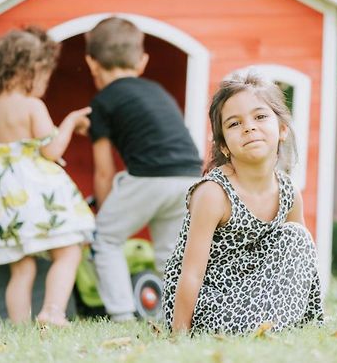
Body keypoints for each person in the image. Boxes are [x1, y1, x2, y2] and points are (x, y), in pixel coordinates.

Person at [163, 73, 324, 334]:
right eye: (235, 123)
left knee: (298, 237)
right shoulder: (214, 194)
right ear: (224, 146)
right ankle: (264, 330)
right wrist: (178, 335)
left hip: (256, 298)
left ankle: (296, 327)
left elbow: (301, 264)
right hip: (210, 305)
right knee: (297, 238)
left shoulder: (289, 192)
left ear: (283, 129)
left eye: (260, 117)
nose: (249, 127)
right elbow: (190, 273)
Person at [0, 27, 95, 326]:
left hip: (1, 205)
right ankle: (52, 312)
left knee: (21, 269)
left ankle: (20, 327)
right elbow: (51, 150)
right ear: (27, 71)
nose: (45, 84)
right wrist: (70, 122)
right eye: (44, 76)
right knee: (68, 251)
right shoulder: (31, 106)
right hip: (33, 200)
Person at [85, 17, 202, 322]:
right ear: (142, 61)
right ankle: (174, 320)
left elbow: (103, 172)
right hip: (190, 176)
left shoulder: (103, 101)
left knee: (106, 239)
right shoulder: (158, 91)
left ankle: (122, 315)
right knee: (169, 252)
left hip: (151, 177)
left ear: (91, 63)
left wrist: (104, 208)